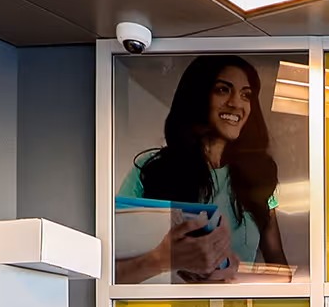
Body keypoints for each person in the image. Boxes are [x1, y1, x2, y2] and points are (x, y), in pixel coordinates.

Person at [116, 55, 288, 284]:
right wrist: (161, 260)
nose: (237, 103)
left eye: (246, 95)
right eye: (223, 90)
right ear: (198, 96)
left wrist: (234, 274)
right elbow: (112, 273)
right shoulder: (152, 170)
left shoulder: (259, 177)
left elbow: (281, 272)